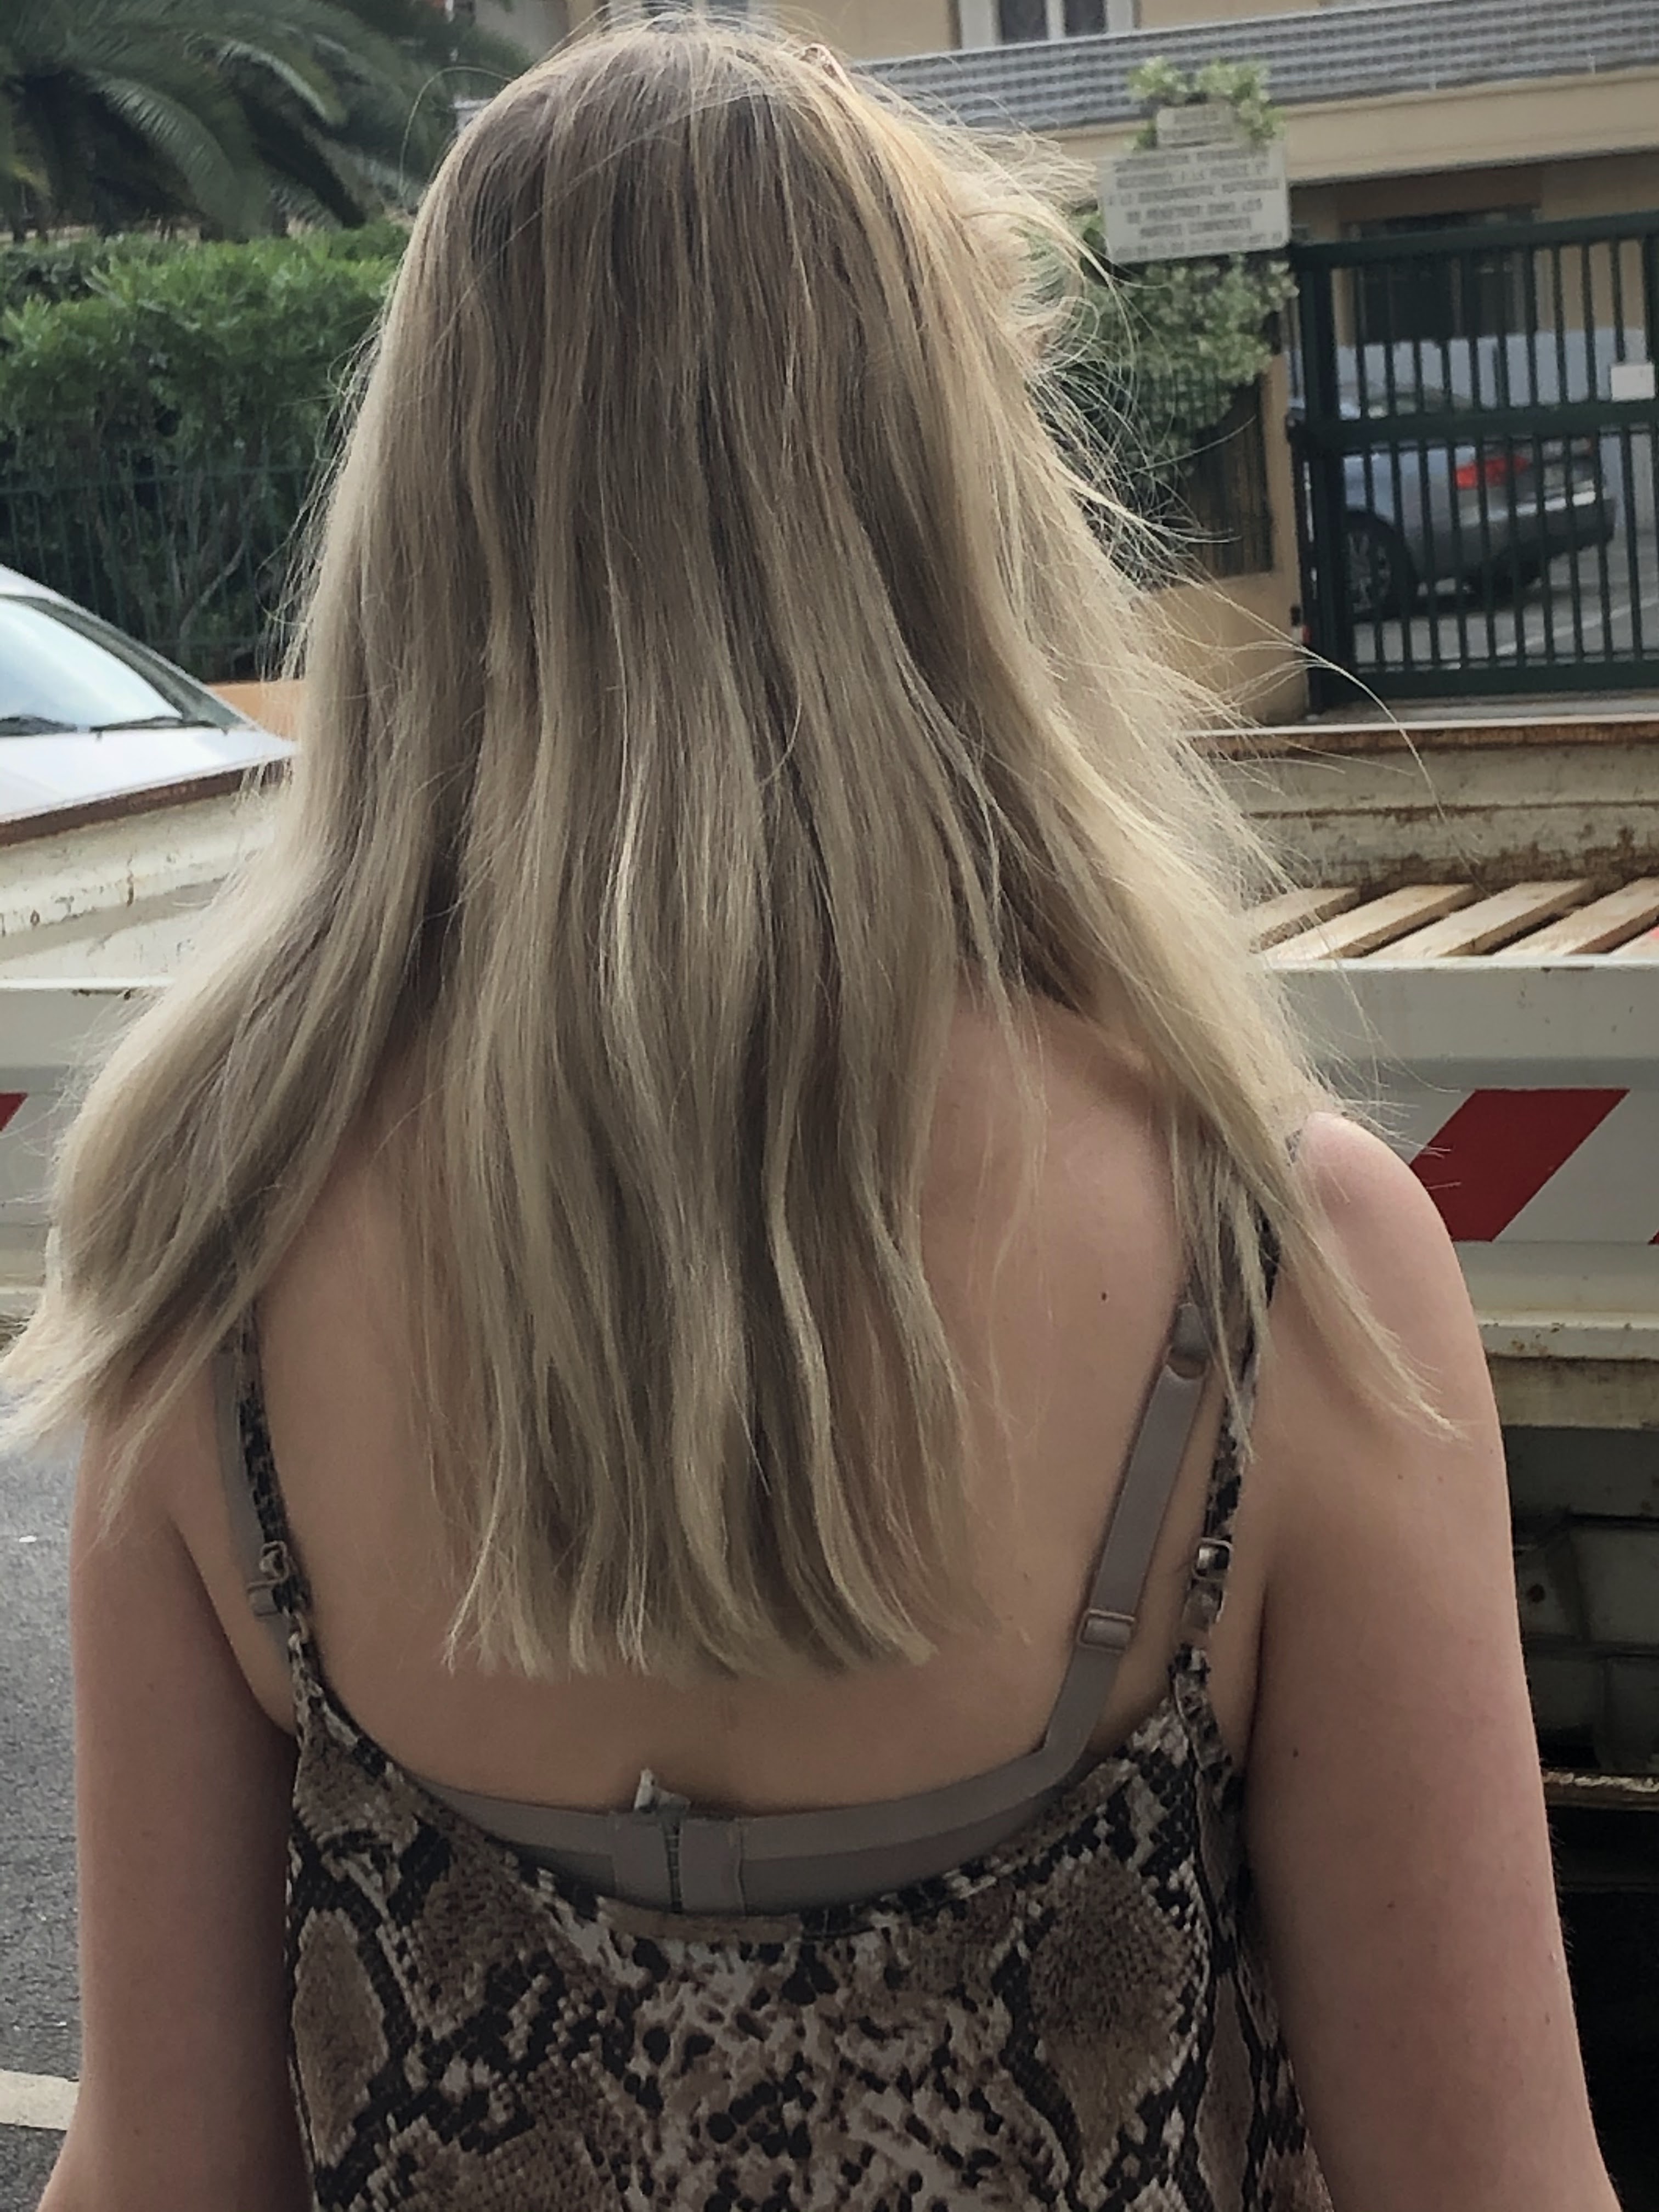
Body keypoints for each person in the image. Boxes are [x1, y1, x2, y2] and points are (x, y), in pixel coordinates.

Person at [9, 22, 1617, 2212]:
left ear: (431, 525)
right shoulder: (1277, 1288)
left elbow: (165, 2171)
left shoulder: (213, 1287)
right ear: (960, 518)